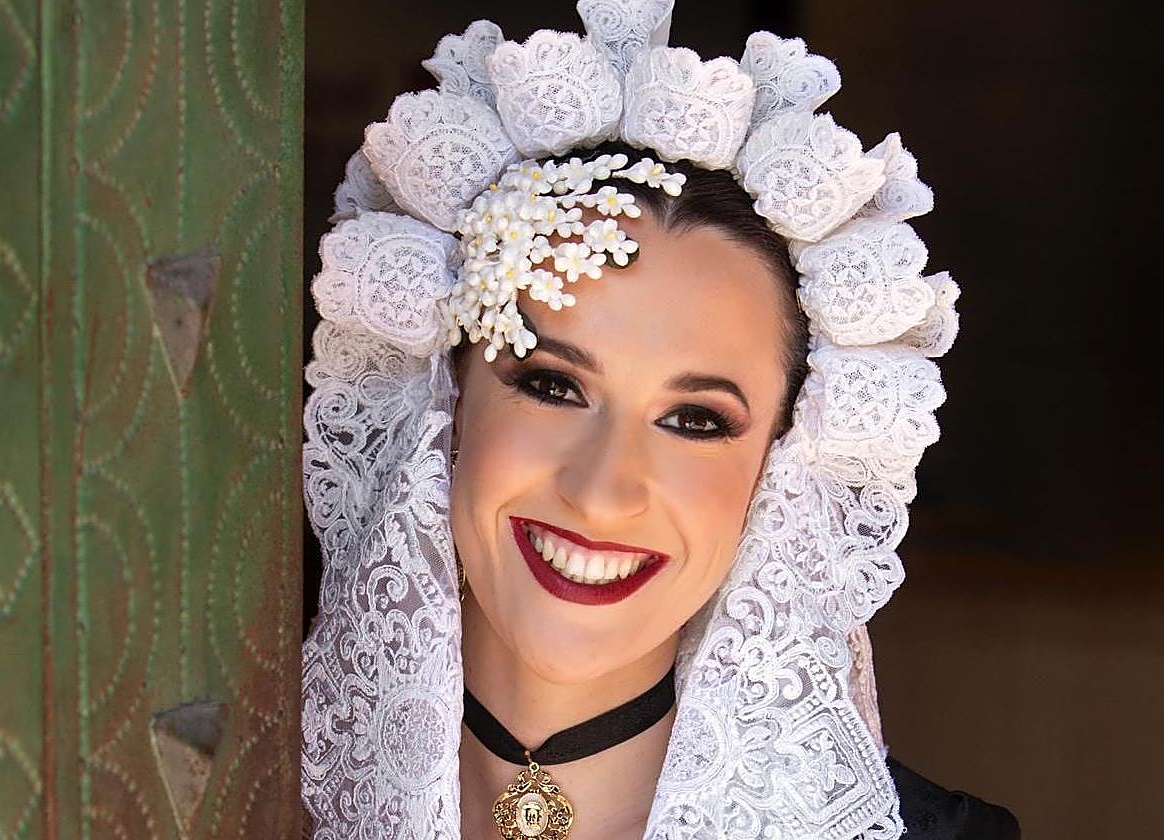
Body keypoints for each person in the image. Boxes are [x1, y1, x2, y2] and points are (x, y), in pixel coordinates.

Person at [300, 3, 1019, 838]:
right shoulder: (228, 785)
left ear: (782, 466)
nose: (604, 492)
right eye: (552, 385)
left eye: (696, 421)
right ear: (447, 403)